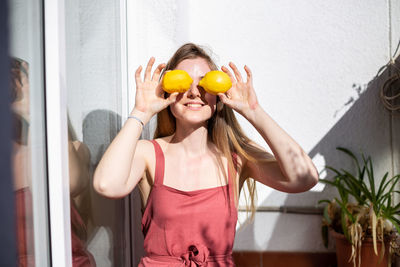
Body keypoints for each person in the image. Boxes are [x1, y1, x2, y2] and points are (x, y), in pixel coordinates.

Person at [93, 43, 319, 266]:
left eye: (204, 84)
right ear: (168, 91)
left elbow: (305, 177)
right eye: (183, 84)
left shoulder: (237, 158)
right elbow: (106, 185)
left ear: (218, 94)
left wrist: (254, 112)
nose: (194, 93)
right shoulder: (149, 153)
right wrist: (140, 113)